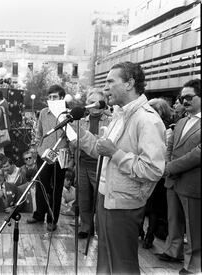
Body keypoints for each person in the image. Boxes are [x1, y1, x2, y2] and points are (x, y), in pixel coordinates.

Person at [69, 62, 166, 274]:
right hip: (106, 198)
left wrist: (115, 153)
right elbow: (101, 150)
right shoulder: (120, 115)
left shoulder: (147, 120)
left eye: (110, 82)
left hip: (124, 204)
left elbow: (152, 170)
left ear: (129, 83)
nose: (105, 88)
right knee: (105, 260)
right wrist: (79, 134)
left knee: (122, 265)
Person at [157, 79, 202, 274]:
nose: (184, 101)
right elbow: (171, 146)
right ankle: (173, 251)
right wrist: (166, 165)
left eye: (189, 97)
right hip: (173, 180)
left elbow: (200, 152)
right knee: (173, 219)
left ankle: (193, 265)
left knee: (194, 226)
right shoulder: (182, 120)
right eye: (182, 97)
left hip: (193, 182)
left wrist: (171, 167)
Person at [27, 85, 68, 232]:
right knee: (41, 186)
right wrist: (38, 149)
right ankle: (39, 215)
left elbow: (72, 137)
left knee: (56, 189)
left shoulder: (68, 114)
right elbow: (39, 133)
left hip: (59, 157)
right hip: (44, 155)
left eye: (55, 97)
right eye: (49, 97)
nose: (51, 99)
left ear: (62, 98)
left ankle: (52, 219)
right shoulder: (44, 112)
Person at [71, 90, 111, 239]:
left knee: (99, 198)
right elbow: (75, 138)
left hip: (99, 164)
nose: (92, 105)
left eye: (96, 102)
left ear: (102, 103)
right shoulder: (82, 120)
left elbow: (104, 141)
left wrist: (89, 139)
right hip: (82, 162)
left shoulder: (110, 120)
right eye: (90, 101)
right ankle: (85, 227)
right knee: (83, 197)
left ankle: (101, 229)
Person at [142, 98, 172, 248]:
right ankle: (140, 232)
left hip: (160, 172)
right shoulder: (147, 125)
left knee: (154, 207)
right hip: (145, 170)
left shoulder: (167, 130)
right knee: (144, 204)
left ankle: (149, 235)